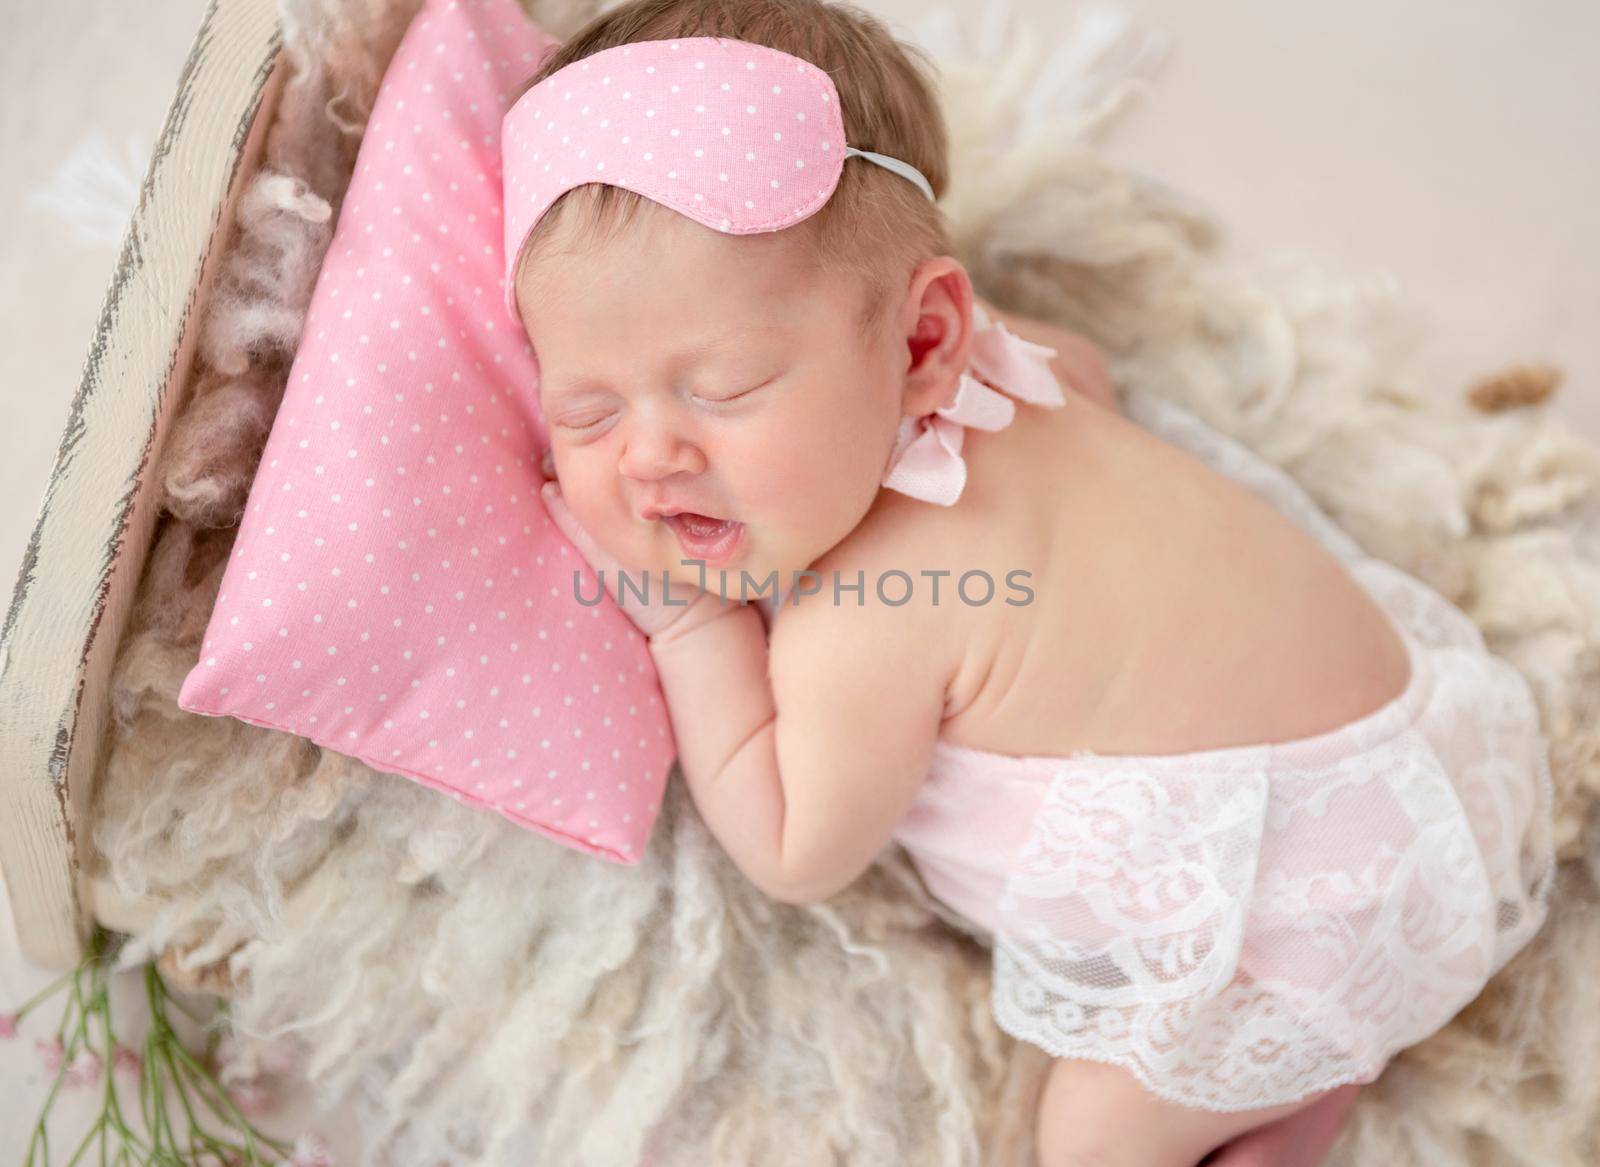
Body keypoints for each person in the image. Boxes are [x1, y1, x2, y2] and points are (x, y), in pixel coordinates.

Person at [503, 2, 1556, 1163]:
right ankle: (1305, 1068)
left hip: (1306, 897)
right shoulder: (1002, 356)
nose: (650, 455)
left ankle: (1293, 1066)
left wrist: (693, 623)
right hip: (1421, 753)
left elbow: (796, 848)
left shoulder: (866, 617)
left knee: (1091, 1136)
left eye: (728, 385)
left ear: (918, 341)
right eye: (586, 411)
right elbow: (1090, 374)